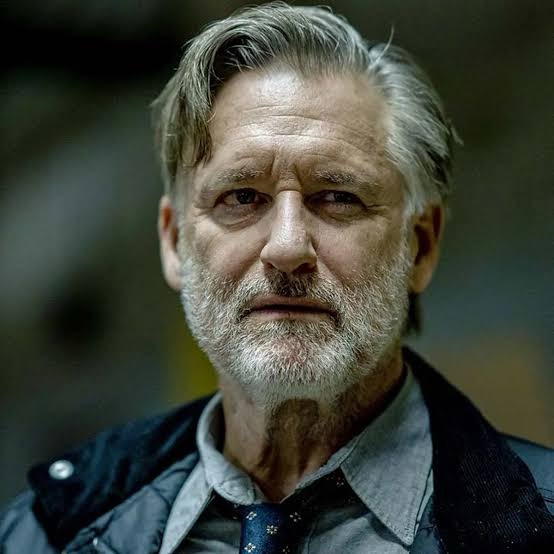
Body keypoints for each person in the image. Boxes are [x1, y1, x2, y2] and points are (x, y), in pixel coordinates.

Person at [1, 2, 553, 553]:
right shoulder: (44, 535)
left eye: (338, 197)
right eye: (241, 197)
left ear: (420, 246)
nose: (287, 247)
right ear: (173, 242)